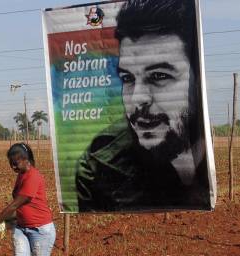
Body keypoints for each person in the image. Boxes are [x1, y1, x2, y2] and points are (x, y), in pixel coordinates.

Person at [76, 0, 211, 212]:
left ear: (197, 82)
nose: (137, 99)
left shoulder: (208, 159)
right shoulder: (99, 165)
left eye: (159, 76)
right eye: (128, 78)